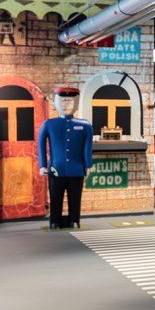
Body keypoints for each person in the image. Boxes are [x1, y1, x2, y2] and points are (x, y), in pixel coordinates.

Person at [38, 87, 93, 229]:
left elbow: (87, 147)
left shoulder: (85, 125)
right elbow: (41, 145)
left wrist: (88, 165)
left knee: (75, 197)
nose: (66, 104)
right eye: (62, 101)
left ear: (77, 102)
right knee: (55, 197)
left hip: (76, 169)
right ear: (56, 102)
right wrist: (42, 165)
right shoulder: (49, 124)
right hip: (56, 168)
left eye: (70, 101)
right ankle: (54, 221)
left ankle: (74, 220)